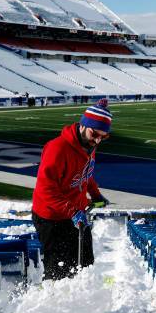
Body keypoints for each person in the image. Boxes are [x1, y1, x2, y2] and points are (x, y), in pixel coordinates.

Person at [32, 101, 112, 280]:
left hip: (75, 213)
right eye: (95, 134)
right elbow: (46, 190)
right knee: (59, 270)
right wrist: (73, 211)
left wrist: (96, 194)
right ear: (84, 125)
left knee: (85, 264)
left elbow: (86, 173)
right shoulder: (57, 148)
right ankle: (53, 302)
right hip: (51, 218)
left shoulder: (89, 145)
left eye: (103, 137)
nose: (98, 140)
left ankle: (83, 301)